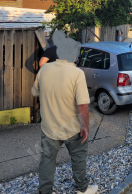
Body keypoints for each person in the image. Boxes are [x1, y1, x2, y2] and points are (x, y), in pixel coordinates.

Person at [31, 30, 98, 194]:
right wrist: (86, 127)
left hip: (48, 128)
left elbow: (35, 92)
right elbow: (82, 105)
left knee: (47, 160)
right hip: (71, 128)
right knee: (79, 157)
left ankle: (45, 191)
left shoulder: (44, 70)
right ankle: (82, 189)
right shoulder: (77, 74)